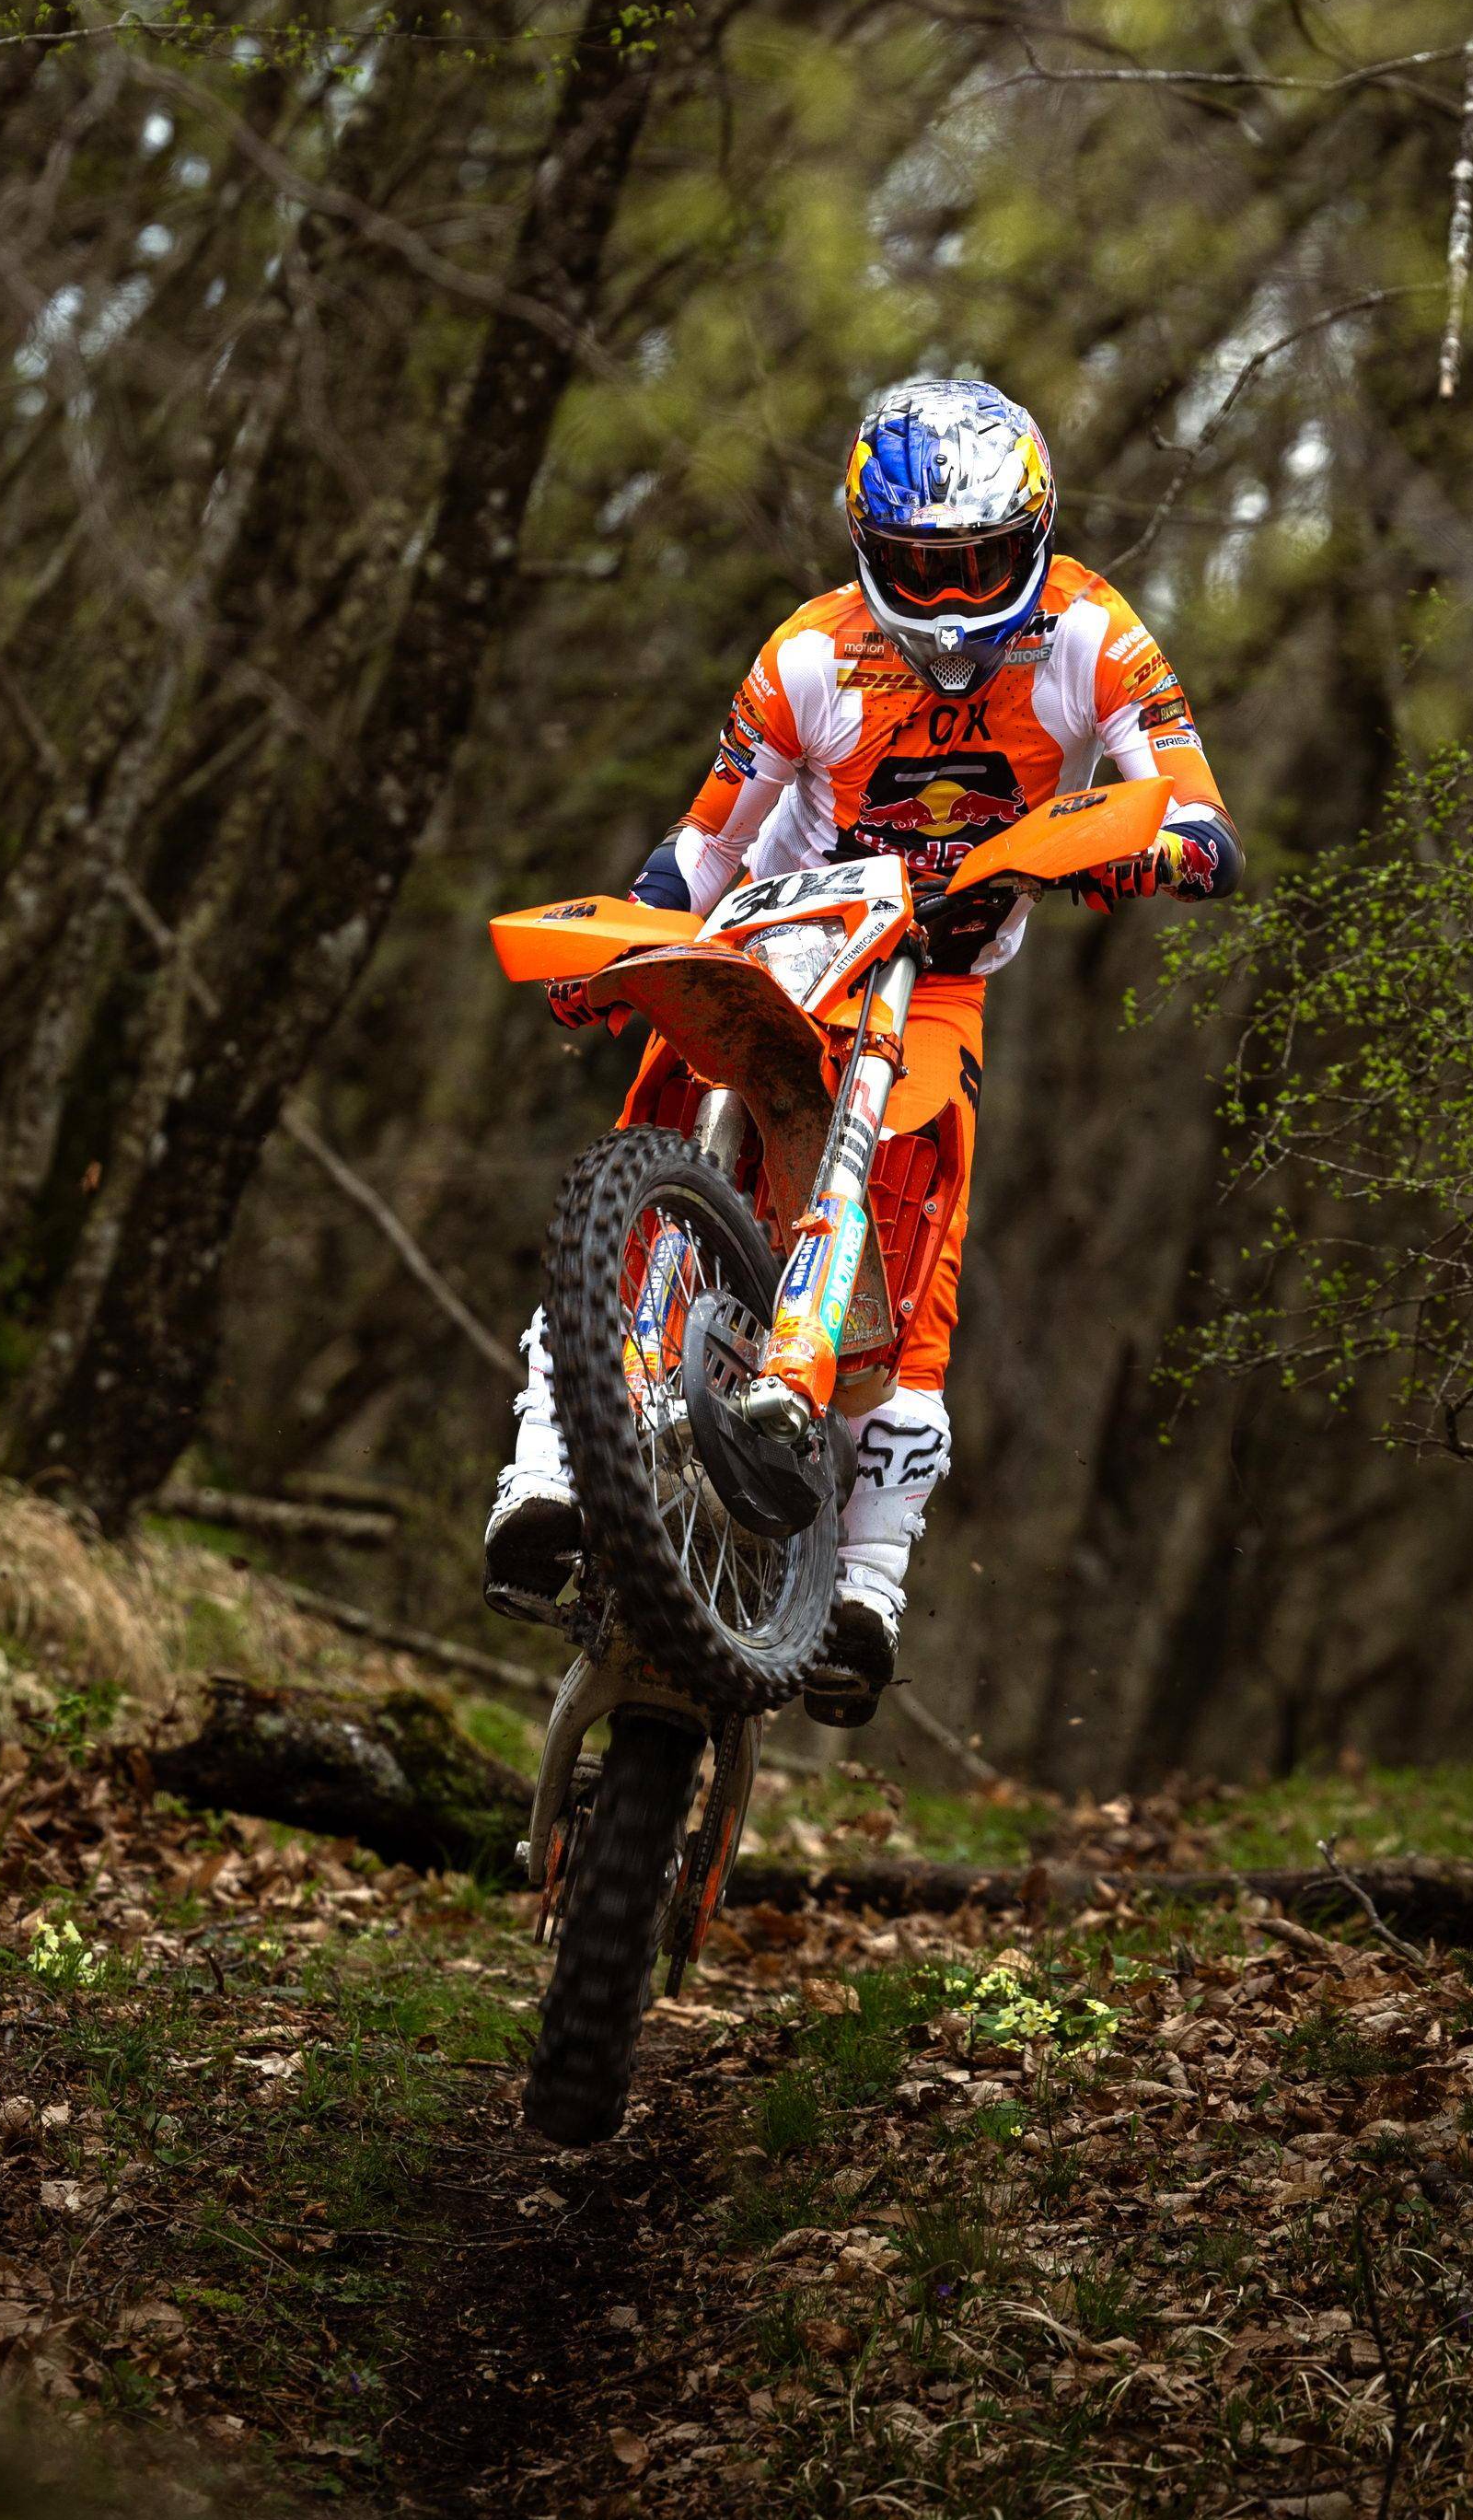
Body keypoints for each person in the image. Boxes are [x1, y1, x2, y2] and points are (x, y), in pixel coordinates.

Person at [483, 374, 1242, 1723]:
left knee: (919, 1199)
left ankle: (870, 1576)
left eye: (979, 568)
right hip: (783, 927)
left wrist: (1136, 856)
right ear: (864, 548)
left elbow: (1197, 814)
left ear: (1037, 537)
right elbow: (705, 844)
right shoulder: (809, 655)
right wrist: (629, 937)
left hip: (938, 964)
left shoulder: (1095, 636)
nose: (950, 604)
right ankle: (547, 1459)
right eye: (919, 569)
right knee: (656, 1109)